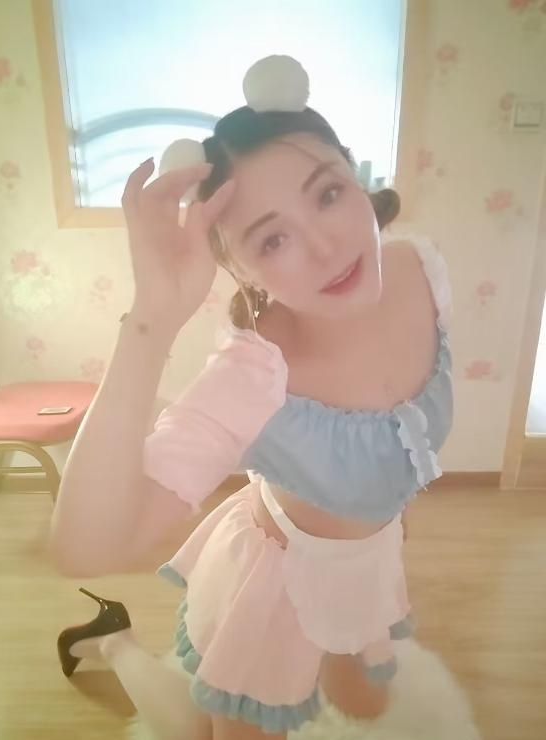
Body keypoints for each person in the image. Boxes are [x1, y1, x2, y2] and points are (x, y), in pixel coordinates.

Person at [49, 56, 454, 740]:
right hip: (272, 585)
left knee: (363, 709)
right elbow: (83, 548)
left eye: (328, 194)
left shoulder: (421, 268)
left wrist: (384, 519)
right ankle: (113, 641)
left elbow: (396, 449)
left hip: (366, 569)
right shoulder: (253, 375)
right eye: (273, 237)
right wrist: (152, 319)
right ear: (239, 267)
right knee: (209, 733)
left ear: (354, 176)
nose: (325, 247)